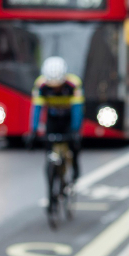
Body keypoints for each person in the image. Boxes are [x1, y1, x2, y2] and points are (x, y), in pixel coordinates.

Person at [29, 56, 84, 184]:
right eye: (52, 86)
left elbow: (77, 110)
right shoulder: (40, 85)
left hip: (68, 118)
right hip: (52, 118)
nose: (55, 88)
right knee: (49, 150)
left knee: (73, 144)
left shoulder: (74, 84)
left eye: (58, 85)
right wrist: (33, 131)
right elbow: (37, 109)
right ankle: (51, 183)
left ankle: (75, 165)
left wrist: (76, 130)